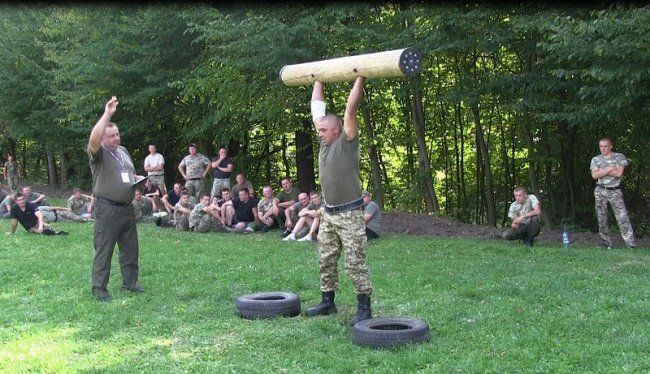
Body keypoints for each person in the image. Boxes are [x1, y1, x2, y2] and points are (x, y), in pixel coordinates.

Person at [305, 77, 373, 326]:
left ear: (337, 130)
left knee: (354, 262)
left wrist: (359, 77)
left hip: (351, 214)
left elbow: (350, 109)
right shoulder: (324, 143)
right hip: (329, 213)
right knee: (326, 258)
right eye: (319, 130)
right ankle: (327, 301)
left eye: (323, 130)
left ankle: (364, 307)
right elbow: (317, 108)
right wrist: (318, 79)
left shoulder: (347, 142)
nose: (319, 133)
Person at [87, 96, 144, 302]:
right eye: (111, 136)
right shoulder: (98, 153)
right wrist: (107, 114)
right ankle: (99, 289)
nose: (116, 138)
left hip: (127, 208)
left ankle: (130, 283)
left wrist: (137, 179)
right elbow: (93, 139)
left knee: (130, 249)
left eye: (117, 134)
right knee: (104, 250)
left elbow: (128, 173)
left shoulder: (123, 151)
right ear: (103, 138)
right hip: (107, 209)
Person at [590, 137, 637, 249]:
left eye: (605, 146)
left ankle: (631, 245)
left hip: (615, 191)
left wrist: (602, 171)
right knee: (602, 218)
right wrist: (610, 168)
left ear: (610, 146)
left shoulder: (619, 157)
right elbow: (594, 175)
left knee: (622, 217)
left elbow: (619, 173)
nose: (603, 148)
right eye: (601, 146)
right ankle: (606, 244)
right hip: (600, 190)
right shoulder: (596, 159)